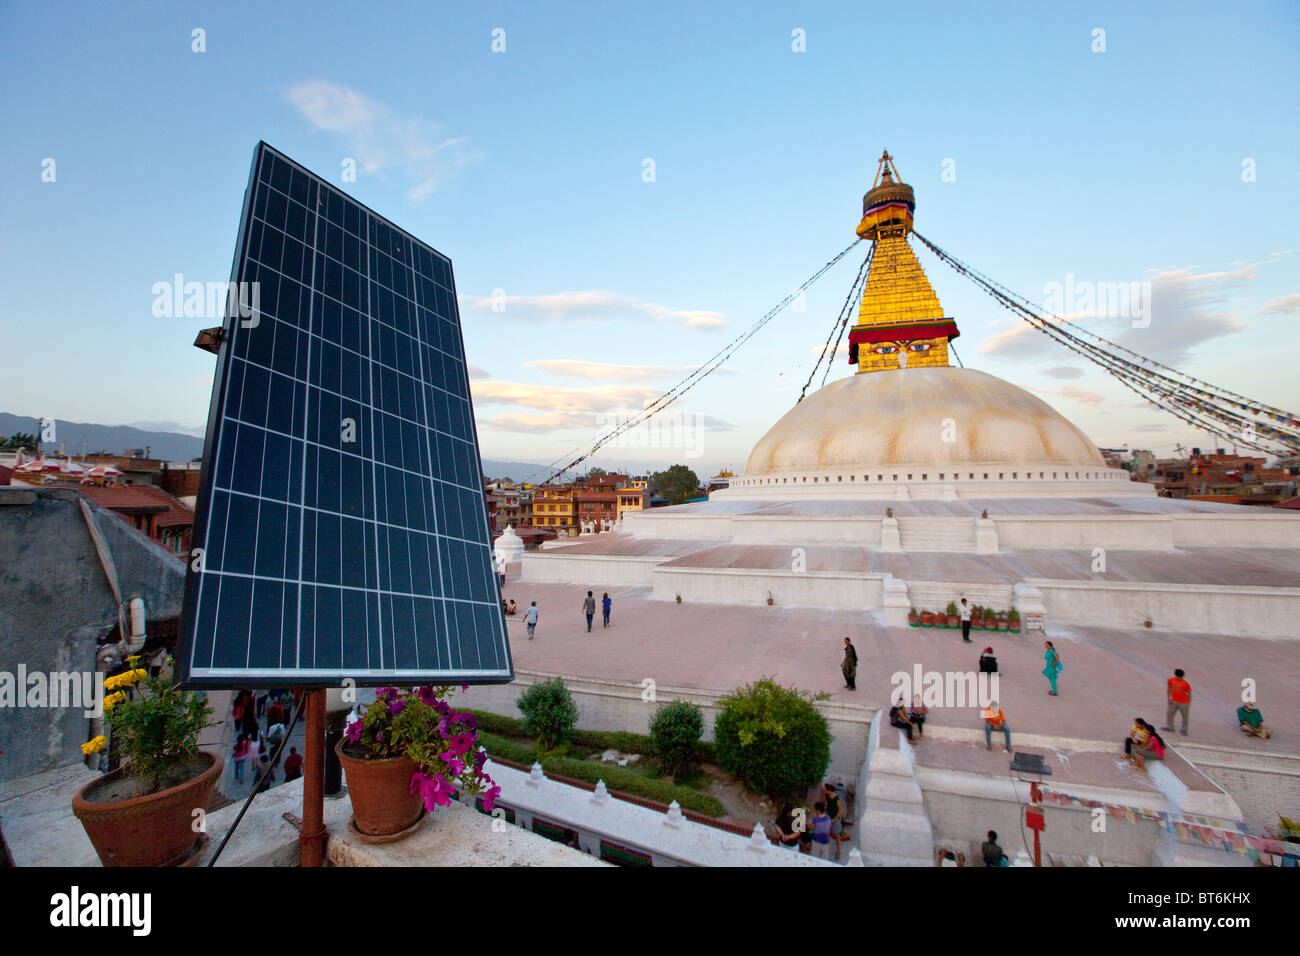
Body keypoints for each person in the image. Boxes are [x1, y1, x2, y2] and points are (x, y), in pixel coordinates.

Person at [1164, 668, 1191, 736]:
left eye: (1180, 677)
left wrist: (1188, 703)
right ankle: (1170, 727)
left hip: (1183, 703)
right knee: (1169, 714)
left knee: (1185, 717)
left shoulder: (1185, 684)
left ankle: (1184, 730)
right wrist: (1169, 698)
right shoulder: (1171, 680)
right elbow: (1169, 689)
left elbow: (1189, 694)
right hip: (1173, 701)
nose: (1179, 678)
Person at [823, 782, 844, 856]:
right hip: (828, 816)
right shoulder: (827, 796)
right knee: (827, 832)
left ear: (829, 790)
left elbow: (840, 810)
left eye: (826, 790)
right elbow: (826, 804)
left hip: (835, 819)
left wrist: (835, 819)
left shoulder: (837, 799)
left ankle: (838, 850)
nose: (825, 791)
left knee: (837, 835)